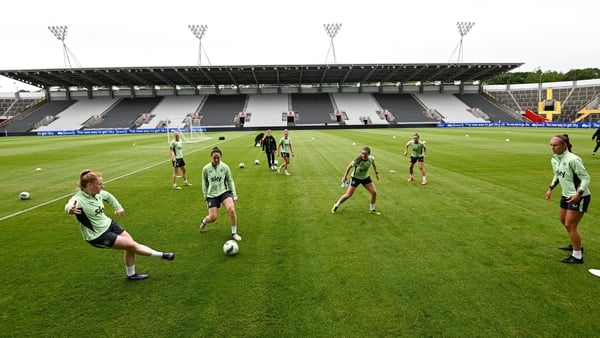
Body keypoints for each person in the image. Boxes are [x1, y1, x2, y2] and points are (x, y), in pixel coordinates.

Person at [65, 169, 174, 281]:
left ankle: (131, 275)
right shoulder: (78, 200)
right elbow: (69, 206)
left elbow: (108, 196)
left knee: (131, 246)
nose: (102, 186)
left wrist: (118, 207)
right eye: (99, 184)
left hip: (109, 224)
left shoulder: (97, 194)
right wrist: (70, 210)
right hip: (98, 235)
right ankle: (162, 255)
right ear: (89, 185)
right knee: (131, 245)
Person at [545, 134, 591, 264]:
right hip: (566, 195)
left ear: (564, 146)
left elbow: (586, 178)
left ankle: (577, 256)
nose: (552, 148)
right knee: (563, 221)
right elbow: (557, 174)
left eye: (555, 145)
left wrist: (578, 193)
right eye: (551, 145)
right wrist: (550, 188)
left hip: (579, 197)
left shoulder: (573, 159)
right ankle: (575, 244)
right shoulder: (554, 159)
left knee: (570, 225)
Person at [199, 147, 242, 241]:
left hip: (224, 192)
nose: (216, 159)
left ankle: (234, 233)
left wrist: (234, 193)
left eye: (218, 157)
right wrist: (205, 195)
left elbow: (230, 180)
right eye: (214, 158)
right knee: (213, 217)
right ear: (211, 157)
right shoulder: (206, 169)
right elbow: (204, 183)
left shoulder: (225, 167)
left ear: (221, 157)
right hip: (212, 195)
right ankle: (204, 221)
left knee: (231, 209)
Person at [331, 146, 381, 215]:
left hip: (365, 178)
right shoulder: (357, 161)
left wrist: (376, 173)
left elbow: (373, 164)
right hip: (355, 178)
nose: (363, 155)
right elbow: (349, 167)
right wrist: (345, 176)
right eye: (362, 153)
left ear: (369, 154)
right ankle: (336, 204)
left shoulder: (371, 159)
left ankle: (372, 209)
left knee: (374, 192)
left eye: (365, 154)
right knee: (349, 194)